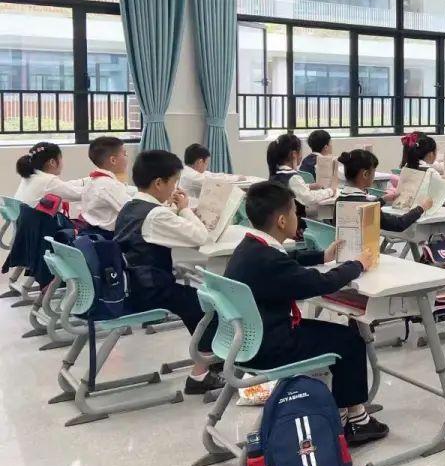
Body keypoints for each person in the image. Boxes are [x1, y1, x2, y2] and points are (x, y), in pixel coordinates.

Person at [225, 181, 388, 446]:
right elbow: (321, 283)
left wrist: (322, 257)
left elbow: (288, 262)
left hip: (247, 341)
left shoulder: (250, 247)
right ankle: (357, 421)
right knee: (350, 340)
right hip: (271, 346)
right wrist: (357, 264)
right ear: (281, 221)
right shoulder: (270, 260)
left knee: (338, 336)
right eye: (294, 212)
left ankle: (343, 410)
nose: (297, 217)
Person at [114, 150, 222, 395]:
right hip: (149, 289)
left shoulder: (131, 206)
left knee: (191, 299)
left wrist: (174, 210)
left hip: (131, 283)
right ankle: (200, 374)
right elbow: (200, 236)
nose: (176, 188)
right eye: (174, 182)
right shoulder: (156, 214)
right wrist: (184, 209)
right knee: (205, 306)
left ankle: (209, 360)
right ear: (158, 183)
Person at [337, 148, 431, 231]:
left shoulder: (340, 200)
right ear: (365, 174)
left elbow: (363, 205)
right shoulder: (366, 207)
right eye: (373, 172)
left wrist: (383, 199)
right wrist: (421, 208)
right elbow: (399, 224)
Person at [267, 133, 336, 235]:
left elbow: (291, 188)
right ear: (294, 154)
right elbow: (309, 198)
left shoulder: (277, 172)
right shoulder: (292, 177)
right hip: (296, 228)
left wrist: (309, 186)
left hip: (280, 224)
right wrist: (330, 191)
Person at [78, 136, 131, 237]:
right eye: (124, 154)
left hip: (91, 232)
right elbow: (132, 210)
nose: (126, 157)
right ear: (113, 160)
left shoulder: (93, 181)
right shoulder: (108, 185)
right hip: (107, 237)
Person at [14, 141, 85, 206]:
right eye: (60, 159)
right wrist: (91, 184)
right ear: (52, 162)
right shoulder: (49, 181)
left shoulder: (32, 176)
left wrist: (85, 181)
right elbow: (80, 194)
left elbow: (63, 186)